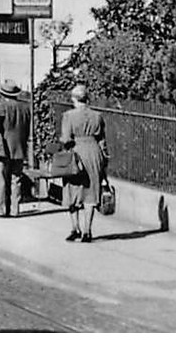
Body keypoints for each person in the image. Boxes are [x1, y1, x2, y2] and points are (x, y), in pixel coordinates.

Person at [59, 83, 108, 242]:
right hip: (94, 153)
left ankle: (75, 228)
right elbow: (102, 141)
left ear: (74, 98)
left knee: (72, 190)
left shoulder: (68, 116)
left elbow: (66, 139)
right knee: (91, 191)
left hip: (76, 153)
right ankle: (88, 230)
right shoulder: (97, 116)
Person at [0, 78, 33, 217]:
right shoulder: (24, 108)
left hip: (2, 146)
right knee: (15, 178)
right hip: (19, 146)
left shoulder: (1, 106)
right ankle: (14, 209)